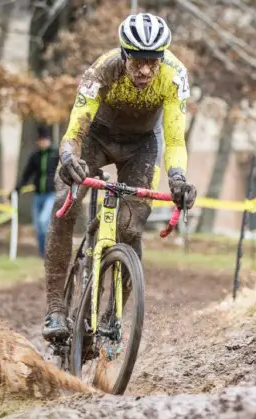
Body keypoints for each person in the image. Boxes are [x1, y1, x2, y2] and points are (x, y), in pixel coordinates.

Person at [41, 13, 197, 342]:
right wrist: (69, 157)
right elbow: (75, 127)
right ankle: (55, 308)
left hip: (141, 146)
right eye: (138, 61)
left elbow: (174, 140)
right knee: (64, 203)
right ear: (125, 55)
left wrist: (178, 178)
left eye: (152, 62)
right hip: (95, 138)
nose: (145, 70)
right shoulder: (103, 69)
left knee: (131, 227)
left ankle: (114, 316)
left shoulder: (174, 76)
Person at [14, 125, 60, 258]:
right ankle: (42, 253)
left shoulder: (55, 154)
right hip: (38, 195)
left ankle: (49, 250)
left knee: (43, 220)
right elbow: (27, 174)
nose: (42, 142)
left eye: (44, 140)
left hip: (50, 195)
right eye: (40, 140)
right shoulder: (35, 157)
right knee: (38, 227)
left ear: (49, 140)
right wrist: (18, 188)